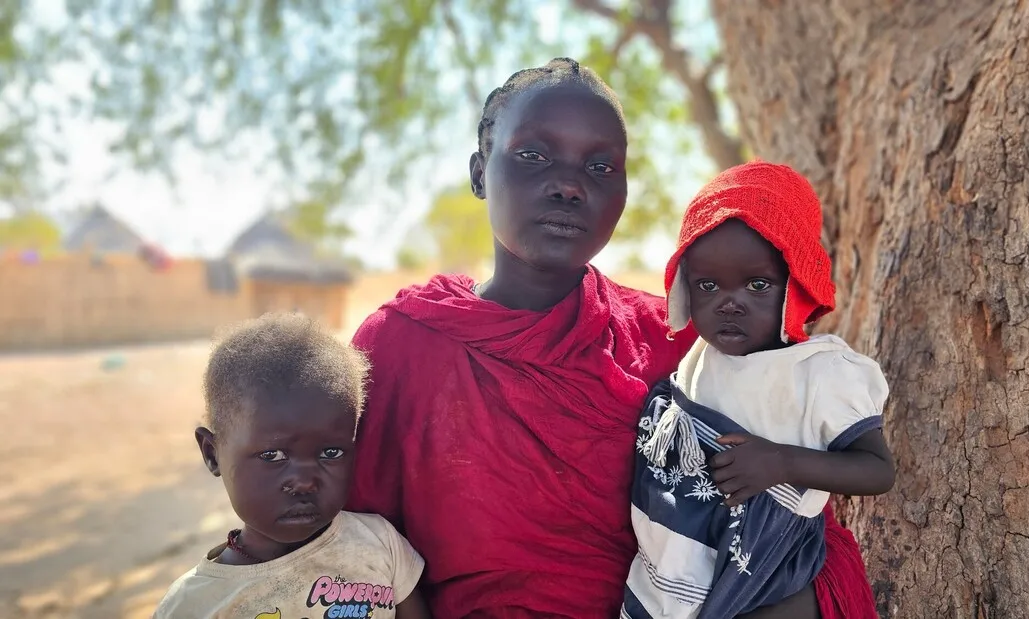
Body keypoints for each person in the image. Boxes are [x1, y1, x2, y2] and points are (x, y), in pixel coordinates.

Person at [347, 57, 880, 618]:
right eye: (533, 155)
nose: (569, 186)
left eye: (601, 167)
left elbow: (782, 529)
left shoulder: (685, 347)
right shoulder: (400, 347)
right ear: (480, 172)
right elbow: (355, 551)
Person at [623, 162, 896, 619]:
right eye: (708, 285)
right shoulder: (702, 357)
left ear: (795, 285)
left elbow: (877, 471)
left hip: (771, 578)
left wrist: (781, 462)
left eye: (758, 285)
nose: (730, 303)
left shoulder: (819, 374)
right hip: (686, 566)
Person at [154, 313, 431, 619]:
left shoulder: (380, 544)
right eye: (272, 456)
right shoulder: (194, 606)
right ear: (212, 454)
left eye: (331, 451)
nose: (304, 481)